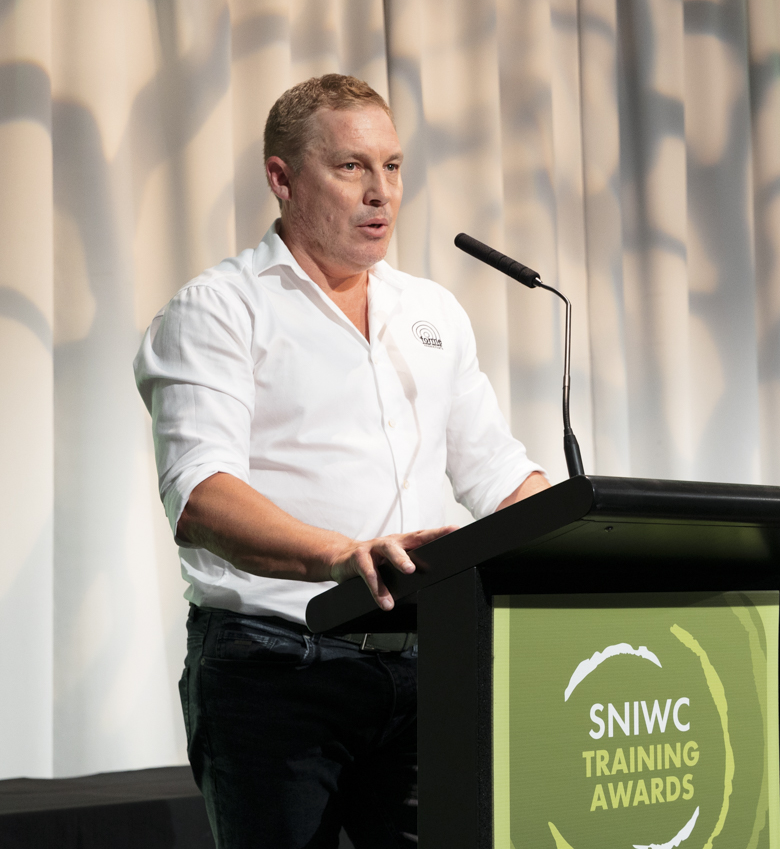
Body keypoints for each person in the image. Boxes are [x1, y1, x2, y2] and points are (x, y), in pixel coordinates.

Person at [134, 74, 549, 848]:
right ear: (282, 177)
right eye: (351, 166)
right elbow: (201, 494)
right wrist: (342, 556)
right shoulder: (219, 308)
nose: (380, 192)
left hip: (428, 662)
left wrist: (578, 535)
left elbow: (496, 471)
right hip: (274, 669)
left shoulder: (431, 311)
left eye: (392, 166)